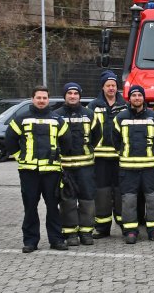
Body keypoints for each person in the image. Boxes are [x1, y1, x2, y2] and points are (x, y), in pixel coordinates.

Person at [5, 86, 70, 253]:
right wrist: (20, 156)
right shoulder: (21, 119)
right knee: (30, 207)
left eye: (44, 98)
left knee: (52, 207)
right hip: (29, 171)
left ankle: (56, 240)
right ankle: (30, 241)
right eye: (38, 97)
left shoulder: (57, 119)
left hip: (51, 172)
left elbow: (67, 142)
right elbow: (10, 139)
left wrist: (58, 157)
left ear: (48, 100)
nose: (41, 100)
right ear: (32, 99)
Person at [113, 85, 154, 244]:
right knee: (129, 200)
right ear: (129, 99)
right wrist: (122, 153)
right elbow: (115, 140)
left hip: (149, 168)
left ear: (144, 98)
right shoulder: (120, 118)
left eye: (139, 95)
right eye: (134, 95)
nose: (137, 98)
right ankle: (130, 231)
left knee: (153, 199)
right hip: (128, 168)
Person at [55, 82, 101, 246]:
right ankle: (70, 233)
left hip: (86, 167)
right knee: (67, 201)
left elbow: (96, 136)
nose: (72, 96)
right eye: (69, 93)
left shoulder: (89, 114)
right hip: (65, 167)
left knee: (87, 200)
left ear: (80, 96)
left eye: (75, 93)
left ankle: (86, 232)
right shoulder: (56, 115)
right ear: (65, 95)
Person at [88, 70, 127, 238]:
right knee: (101, 193)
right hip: (100, 158)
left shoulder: (125, 105)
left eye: (113, 85)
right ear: (102, 87)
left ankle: (124, 224)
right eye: (108, 85)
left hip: (120, 157)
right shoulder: (93, 106)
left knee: (121, 192)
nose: (111, 88)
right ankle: (102, 227)